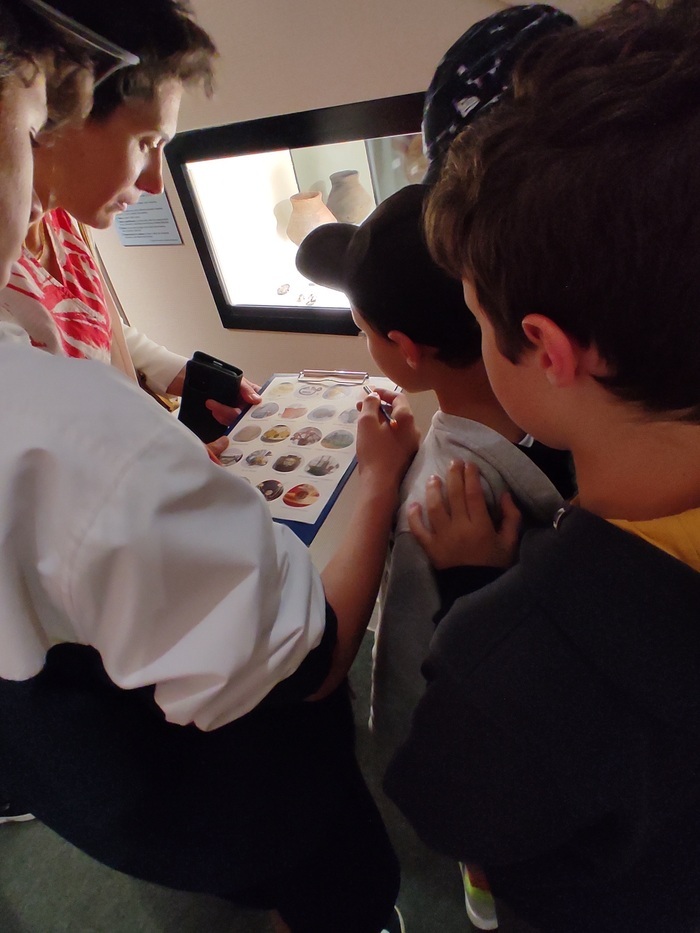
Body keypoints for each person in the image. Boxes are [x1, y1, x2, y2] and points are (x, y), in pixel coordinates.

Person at [0, 5, 419, 931]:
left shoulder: (61, 231)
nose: (154, 179)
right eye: (146, 142)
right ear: (59, 118)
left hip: (87, 690)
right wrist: (380, 481)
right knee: (287, 820)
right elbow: (301, 670)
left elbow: (108, 335)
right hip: (164, 733)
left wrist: (177, 383)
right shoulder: (70, 432)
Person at [384, 0, 700, 930]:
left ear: (549, 349)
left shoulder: (504, 664)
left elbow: (451, 809)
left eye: (477, 317)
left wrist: (470, 594)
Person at [296, 182, 572, 931]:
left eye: (364, 329)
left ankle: (481, 883)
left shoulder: (436, 501)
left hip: (511, 760)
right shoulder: (577, 398)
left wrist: (386, 479)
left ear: (405, 350)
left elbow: (426, 686)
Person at [0, 0, 260, 438]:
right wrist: (171, 452)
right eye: (146, 143)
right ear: (67, 106)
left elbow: (98, 328)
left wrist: (190, 375)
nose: (157, 182)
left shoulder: (66, 222)